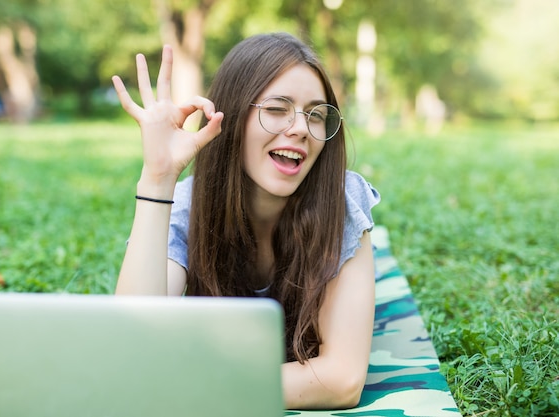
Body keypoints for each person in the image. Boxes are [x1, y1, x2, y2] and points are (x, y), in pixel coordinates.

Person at [111, 32, 380, 410]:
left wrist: (190, 383)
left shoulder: (342, 199)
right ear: (233, 117)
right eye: (276, 109)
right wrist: (158, 177)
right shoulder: (190, 206)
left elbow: (341, 380)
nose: (301, 128)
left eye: (316, 115)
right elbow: (131, 344)